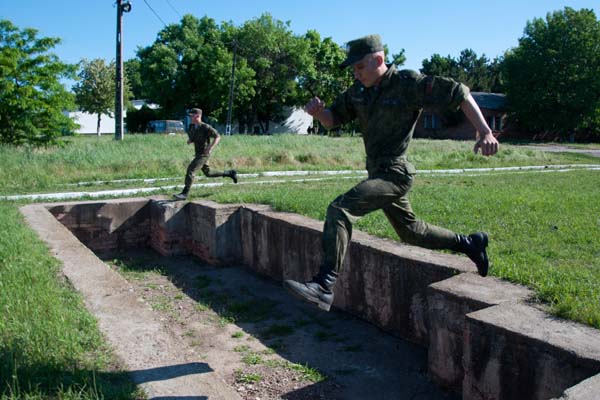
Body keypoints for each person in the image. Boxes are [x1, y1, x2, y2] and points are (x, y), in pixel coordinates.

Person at [283, 34, 500, 311]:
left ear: (378, 60)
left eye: (360, 67)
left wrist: (485, 131)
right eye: (353, 69)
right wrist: (318, 113)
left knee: (340, 209)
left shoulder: (407, 83)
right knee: (412, 232)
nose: (356, 73)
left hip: (395, 173)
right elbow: (332, 120)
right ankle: (470, 244)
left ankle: (324, 285)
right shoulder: (358, 92)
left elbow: (460, 93)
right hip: (377, 174)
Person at [173, 108, 238, 201]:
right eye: (190, 116)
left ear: (198, 116)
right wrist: (190, 140)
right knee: (208, 173)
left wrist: (210, 147)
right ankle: (230, 173)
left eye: (192, 116)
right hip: (198, 153)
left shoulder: (206, 127)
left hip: (204, 154)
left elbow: (217, 136)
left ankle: (184, 193)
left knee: (191, 170)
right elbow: (193, 136)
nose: (190, 118)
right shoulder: (192, 126)